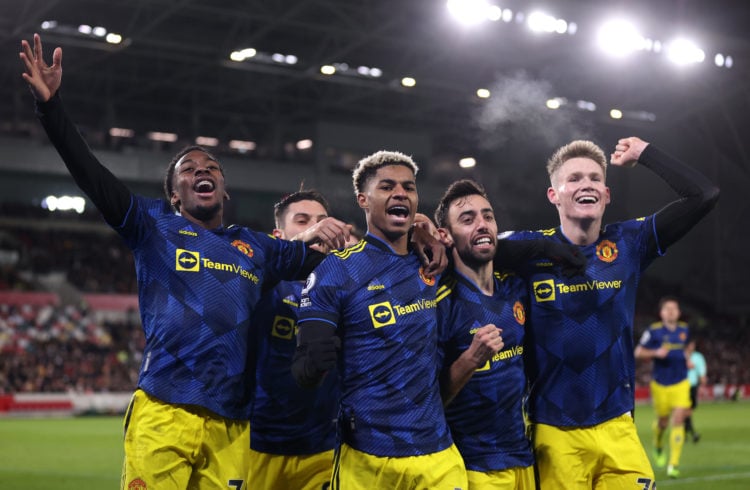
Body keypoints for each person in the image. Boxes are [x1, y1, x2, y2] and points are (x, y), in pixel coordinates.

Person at [20, 34, 356, 490]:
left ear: (224, 188)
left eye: (212, 166)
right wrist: (51, 108)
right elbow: (90, 174)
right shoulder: (150, 223)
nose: (203, 169)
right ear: (173, 194)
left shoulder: (256, 247)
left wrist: (406, 230)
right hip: (165, 408)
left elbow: (329, 255)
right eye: (189, 168)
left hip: (232, 427)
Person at [505, 137, 719, 488]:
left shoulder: (629, 244)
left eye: (593, 178)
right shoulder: (526, 250)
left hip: (618, 428)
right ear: (553, 195)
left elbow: (704, 195)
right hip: (555, 433)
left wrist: (648, 154)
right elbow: (464, 242)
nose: (585, 184)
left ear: (606, 195)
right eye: (573, 178)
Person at [292, 151, 468, 489]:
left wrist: (429, 232)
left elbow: (492, 249)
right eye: (387, 187)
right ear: (363, 200)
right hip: (366, 457)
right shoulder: (336, 269)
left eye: (408, 187)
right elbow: (304, 369)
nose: (400, 193)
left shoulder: (433, 261)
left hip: (437, 454)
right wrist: (313, 364)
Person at [434, 179, 535, 489]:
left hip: (524, 458)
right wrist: (469, 360)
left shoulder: (516, 287)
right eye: (467, 219)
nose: (482, 224)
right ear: (446, 236)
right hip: (473, 467)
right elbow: (428, 401)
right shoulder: (440, 303)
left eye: (487, 216)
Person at [249, 189, 340, 490]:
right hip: (257, 446)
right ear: (279, 234)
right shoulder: (257, 282)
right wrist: (297, 246)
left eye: (323, 221)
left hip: (324, 450)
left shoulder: (346, 288)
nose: (318, 228)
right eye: (303, 221)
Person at [635, 296, 691, 478]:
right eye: (667, 308)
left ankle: (673, 464)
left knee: (679, 419)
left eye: (674, 308)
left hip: (681, 382)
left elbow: (689, 345)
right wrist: (655, 353)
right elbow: (638, 352)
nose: (671, 311)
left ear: (679, 312)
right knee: (663, 422)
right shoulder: (654, 331)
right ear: (661, 313)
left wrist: (688, 357)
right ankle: (658, 443)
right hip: (660, 384)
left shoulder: (684, 329)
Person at [684, 338, 707, 443]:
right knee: (685, 410)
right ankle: (693, 433)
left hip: (693, 386)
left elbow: (701, 373)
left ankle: (685, 433)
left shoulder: (698, 357)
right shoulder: (680, 355)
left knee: (688, 411)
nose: (691, 346)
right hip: (681, 386)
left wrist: (702, 386)